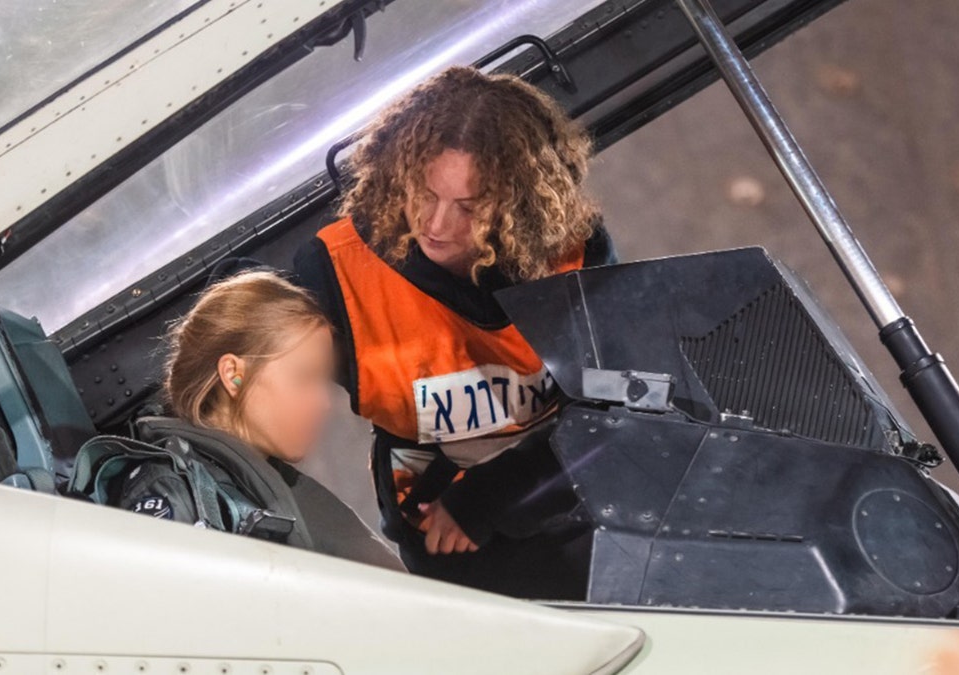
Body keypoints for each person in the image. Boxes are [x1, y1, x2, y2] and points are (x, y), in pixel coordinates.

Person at [293, 66, 617, 598]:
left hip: (572, 504)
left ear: (519, 203)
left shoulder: (573, 251)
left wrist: (489, 501)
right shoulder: (334, 270)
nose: (437, 226)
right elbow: (245, 361)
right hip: (443, 535)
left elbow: (616, 411)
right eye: (425, 194)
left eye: (469, 208)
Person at [112, 269, 402, 571]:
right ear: (233, 375)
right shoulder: (174, 495)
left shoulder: (255, 480)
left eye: (324, 381)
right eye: (304, 378)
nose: (324, 402)